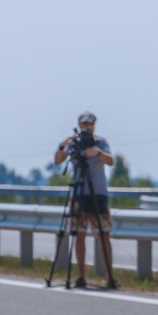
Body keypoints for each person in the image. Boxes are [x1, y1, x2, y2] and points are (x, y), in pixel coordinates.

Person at [53, 111, 116, 289]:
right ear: (79, 125)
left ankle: (110, 276)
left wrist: (96, 152)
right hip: (80, 193)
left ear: (94, 125)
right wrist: (62, 145)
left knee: (104, 235)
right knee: (79, 235)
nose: (87, 127)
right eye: (84, 124)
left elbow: (111, 160)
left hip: (98, 193)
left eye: (90, 124)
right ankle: (81, 276)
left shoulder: (100, 141)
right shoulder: (73, 142)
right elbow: (58, 160)